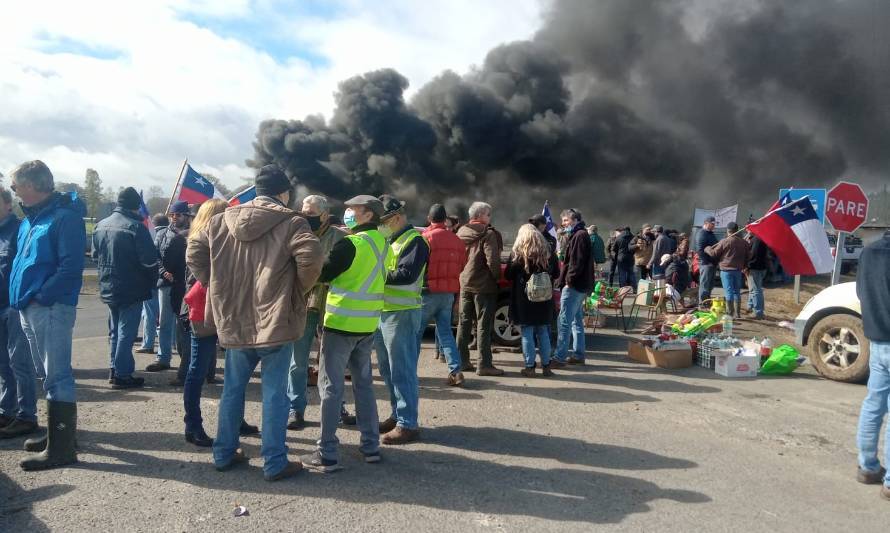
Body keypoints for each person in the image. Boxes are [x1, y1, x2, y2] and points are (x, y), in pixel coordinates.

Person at [187, 164, 322, 482]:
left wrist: (214, 283)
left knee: (232, 389)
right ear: (283, 192)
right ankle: (274, 461)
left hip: (235, 318)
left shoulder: (221, 220)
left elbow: (194, 250)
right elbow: (312, 258)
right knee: (275, 393)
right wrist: (297, 292)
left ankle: (223, 453)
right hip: (275, 320)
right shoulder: (292, 222)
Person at [300, 195, 388, 472]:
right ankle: (371, 446)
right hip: (367, 325)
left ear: (368, 215)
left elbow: (323, 274)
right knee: (364, 386)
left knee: (330, 388)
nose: (348, 212)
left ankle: (326, 453)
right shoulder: (384, 243)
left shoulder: (351, 244)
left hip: (341, 324)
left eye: (354, 209)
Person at [9, 160, 86, 471]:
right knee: (47, 374)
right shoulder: (31, 220)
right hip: (31, 306)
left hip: (50, 307)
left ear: (33, 185)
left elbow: (70, 267)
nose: (14, 191)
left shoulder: (64, 218)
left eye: (16, 185)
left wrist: (42, 296)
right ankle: (59, 437)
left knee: (57, 376)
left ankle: (63, 448)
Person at [287, 194, 346, 431]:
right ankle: (295, 408)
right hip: (303, 305)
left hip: (332, 305)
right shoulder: (296, 236)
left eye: (310, 213)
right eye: (303, 211)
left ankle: (337, 406)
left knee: (333, 363)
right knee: (297, 362)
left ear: (324, 214)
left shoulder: (342, 239)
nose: (305, 216)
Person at [374, 195, 429, 445]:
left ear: (396, 218)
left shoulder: (415, 241)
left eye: (382, 220)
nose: (379, 225)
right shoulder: (390, 239)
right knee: (387, 369)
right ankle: (397, 415)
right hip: (384, 313)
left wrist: (374, 275)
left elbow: (407, 275)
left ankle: (408, 424)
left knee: (402, 370)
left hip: (402, 314)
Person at [93, 187, 159, 389]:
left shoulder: (100, 225)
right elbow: (149, 261)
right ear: (135, 205)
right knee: (126, 333)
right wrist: (151, 280)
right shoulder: (136, 227)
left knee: (114, 332)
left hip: (108, 285)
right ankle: (122, 374)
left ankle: (114, 369)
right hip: (131, 287)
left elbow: (96, 256)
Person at [180, 199, 228, 447]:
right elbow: (195, 281)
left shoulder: (205, 237)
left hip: (217, 310)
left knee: (231, 369)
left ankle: (233, 420)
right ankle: (193, 425)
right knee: (197, 370)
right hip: (203, 311)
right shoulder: (200, 241)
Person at [854, 229, 890, 500]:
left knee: (873, 403)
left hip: (877, 339)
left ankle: (867, 467)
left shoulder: (869, 252)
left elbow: (861, 291)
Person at [0, 185, 37, 439]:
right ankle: (7, 410)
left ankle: (27, 415)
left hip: (13, 306)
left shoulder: (20, 229)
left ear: (7, 204)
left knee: (19, 362)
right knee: (3, 363)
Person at [420, 204, 466, 386]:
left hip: (427, 292)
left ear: (429, 218)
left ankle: (409, 373)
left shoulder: (425, 238)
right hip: (448, 294)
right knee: (446, 333)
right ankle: (456, 372)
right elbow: (462, 266)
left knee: (416, 334)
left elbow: (418, 266)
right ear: (445, 220)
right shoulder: (457, 240)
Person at [456, 202, 504, 376]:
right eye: (489, 215)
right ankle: (484, 365)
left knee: (464, 323)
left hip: (464, 282)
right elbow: (493, 260)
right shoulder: (488, 233)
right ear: (481, 215)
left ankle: (461, 362)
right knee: (483, 325)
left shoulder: (460, 232)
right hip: (483, 285)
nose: (490, 218)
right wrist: (497, 278)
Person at [505, 224, 559, 377]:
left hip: (524, 300)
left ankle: (530, 367)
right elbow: (556, 272)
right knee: (543, 332)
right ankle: (547, 366)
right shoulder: (549, 252)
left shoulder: (518, 254)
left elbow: (508, 275)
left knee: (527, 332)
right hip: (544, 298)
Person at [146, 201, 190, 373]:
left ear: (186, 216)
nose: (174, 218)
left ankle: (187, 361)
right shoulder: (162, 234)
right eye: (172, 215)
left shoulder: (193, 233)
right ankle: (163, 358)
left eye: (177, 214)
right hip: (166, 284)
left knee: (185, 324)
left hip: (186, 285)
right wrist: (163, 271)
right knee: (164, 323)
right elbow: (154, 256)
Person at [552, 209, 592, 367]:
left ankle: (559, 357)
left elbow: (576, 262)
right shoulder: (579, 234)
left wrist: (569, 281)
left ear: (575, 220)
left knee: (563, 321)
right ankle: (578, 355)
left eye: (566, 220)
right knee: (576, 321)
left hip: (574, 286)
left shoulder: (579, 235)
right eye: (563, 221)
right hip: (580, 285)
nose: (563, 224)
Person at [136, 213, 168, 355]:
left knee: (149, 314)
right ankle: (171, 342)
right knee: (167, 316)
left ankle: (148, 343)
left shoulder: (151, 236)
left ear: (153, 223)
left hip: (152, 281)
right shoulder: (173, 235)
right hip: (167, 281)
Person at [705, 222, 751, 318]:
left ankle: (730, 313)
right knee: (736, 291)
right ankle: (737, 314)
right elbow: (748, 257)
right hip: (738, 271)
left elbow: (714, 254)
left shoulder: (725, 241)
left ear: (727, 230)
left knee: (729, 292)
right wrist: (745, 267)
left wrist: (707, 249)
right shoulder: (744, 243)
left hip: (726, 271)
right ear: (737, 230)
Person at [695, 216, 719, 304]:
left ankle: (707, 301)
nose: (713, 225)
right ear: (706, 223)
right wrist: (707, 262)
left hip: (712, 264)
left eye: (714, 224)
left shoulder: (711, 234)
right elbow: (700, 250)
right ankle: (702, 303)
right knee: (704, 285)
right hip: (706, 264)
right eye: (712, 224)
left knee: (710, 285)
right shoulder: (702, 234)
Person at [745, 233, 769, 319]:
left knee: (756, 290)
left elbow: (753, 255)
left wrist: (747, 266)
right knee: (753, 289)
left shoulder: (756, 240)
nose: (747, 231)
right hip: (759, 267)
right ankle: (750, 306)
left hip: (755, 268)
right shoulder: (757, 238)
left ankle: (758, 312)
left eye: (748, 228)